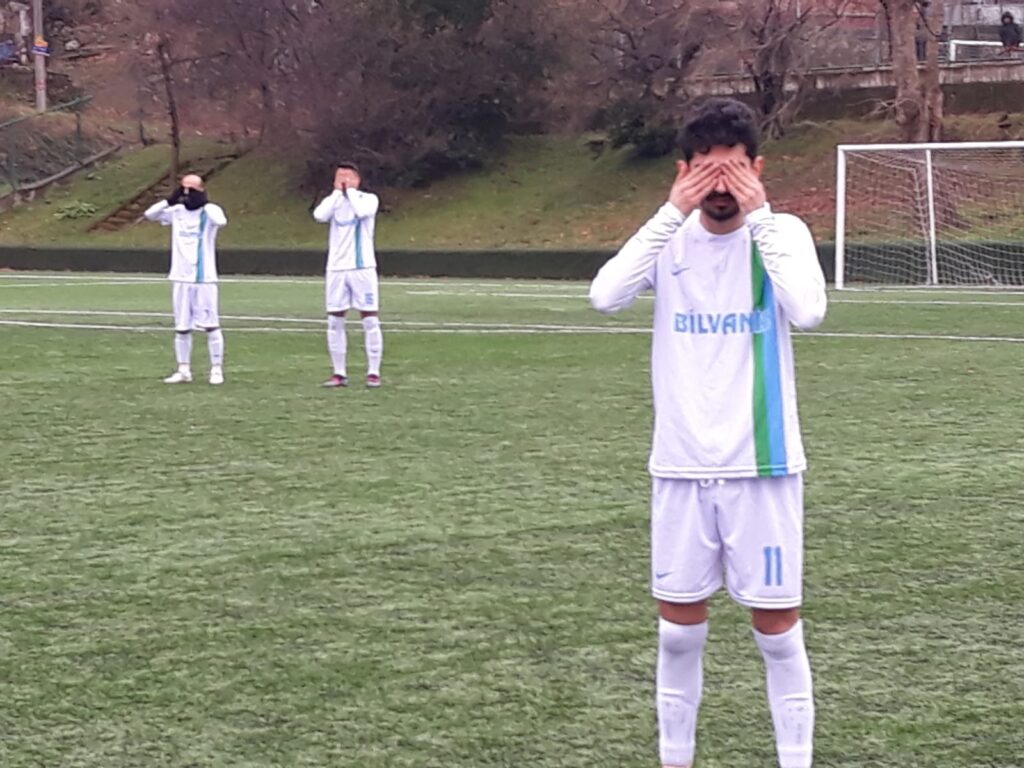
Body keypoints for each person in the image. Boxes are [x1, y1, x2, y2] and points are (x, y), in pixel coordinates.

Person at [589, 97, 827, 768]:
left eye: (734, 170)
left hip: (764, 465)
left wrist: (763, 214)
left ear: (758, 168)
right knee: (676, 632)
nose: (721, 186)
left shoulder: (783, 234)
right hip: (680, 465)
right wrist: (671, 210)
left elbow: (808, 311)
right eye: (706, 171)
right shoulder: (667, 237)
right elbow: (605, 296)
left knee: (776, 631)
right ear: (683, 170)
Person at [144, 174, 228, 385]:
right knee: (182, 327)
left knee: (211, 324)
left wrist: (203, 201)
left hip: (203, 278)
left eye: (192, 189)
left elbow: (221, 221)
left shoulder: (210, 211)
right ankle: (183, 370)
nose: (187, 194)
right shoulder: (177, 212)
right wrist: (169, 200)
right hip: (180, 277)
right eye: (184, 189)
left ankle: (216, 369)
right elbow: (150, 214)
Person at [313, 162, 383, 388]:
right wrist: (337, 193)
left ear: (357, 179)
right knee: (334, 320)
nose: (342, 180)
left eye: (347, 176)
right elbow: (319, 215)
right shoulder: (333, 202)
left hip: (362, 267)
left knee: (370, 319)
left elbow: (362, 212)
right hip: (336, 268)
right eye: (338, 176)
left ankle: (373, 372)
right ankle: (339, 373)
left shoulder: (368, 199)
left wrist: (350, 191)